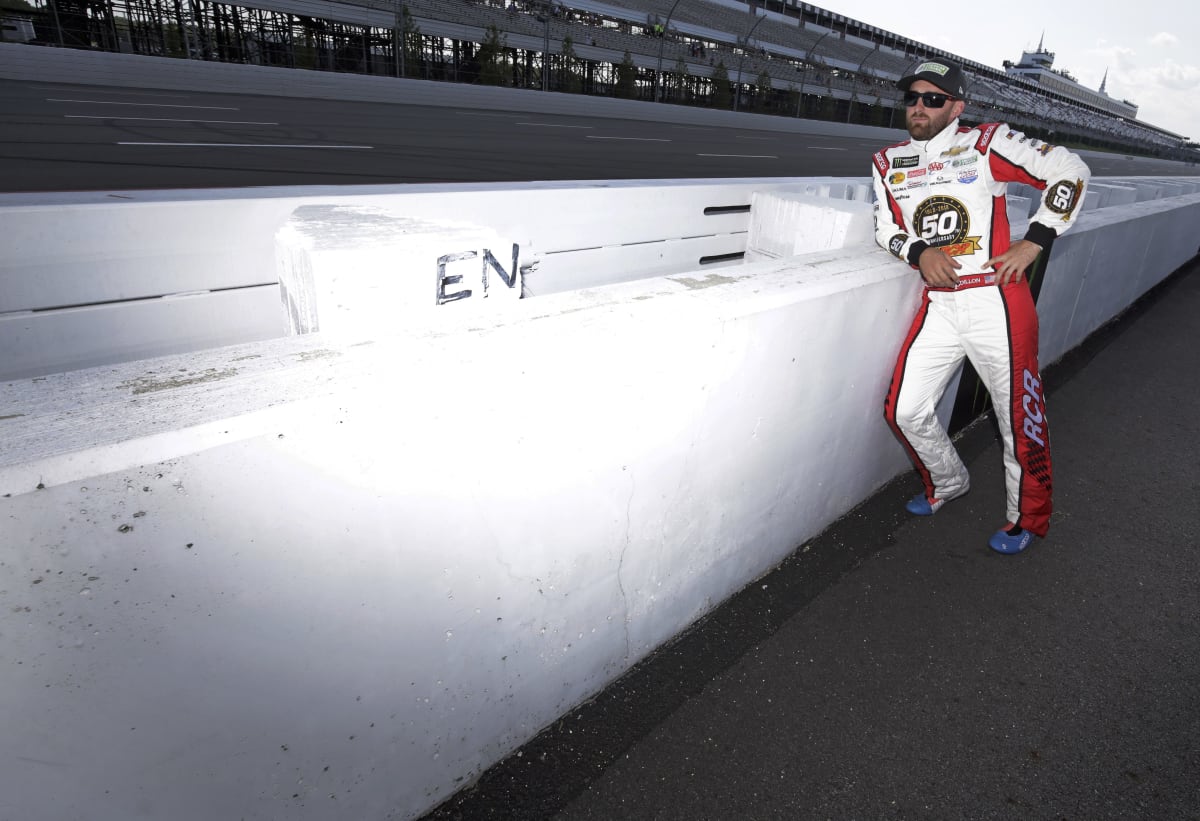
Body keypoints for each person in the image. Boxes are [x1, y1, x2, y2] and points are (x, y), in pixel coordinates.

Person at [870, 60, 1091, 554]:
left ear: (957, 106)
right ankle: (948, 482)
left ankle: (1028, 519)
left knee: (1018, 418)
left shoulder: (987, 142)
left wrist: (1035, 240)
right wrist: (919, 252)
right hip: (940, 305)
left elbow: (1070, 170)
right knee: (904, 410)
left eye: (933, 99)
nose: (920, 107)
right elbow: (885, 228)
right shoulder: (887, 162)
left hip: (997, 299)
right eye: (913, 98)